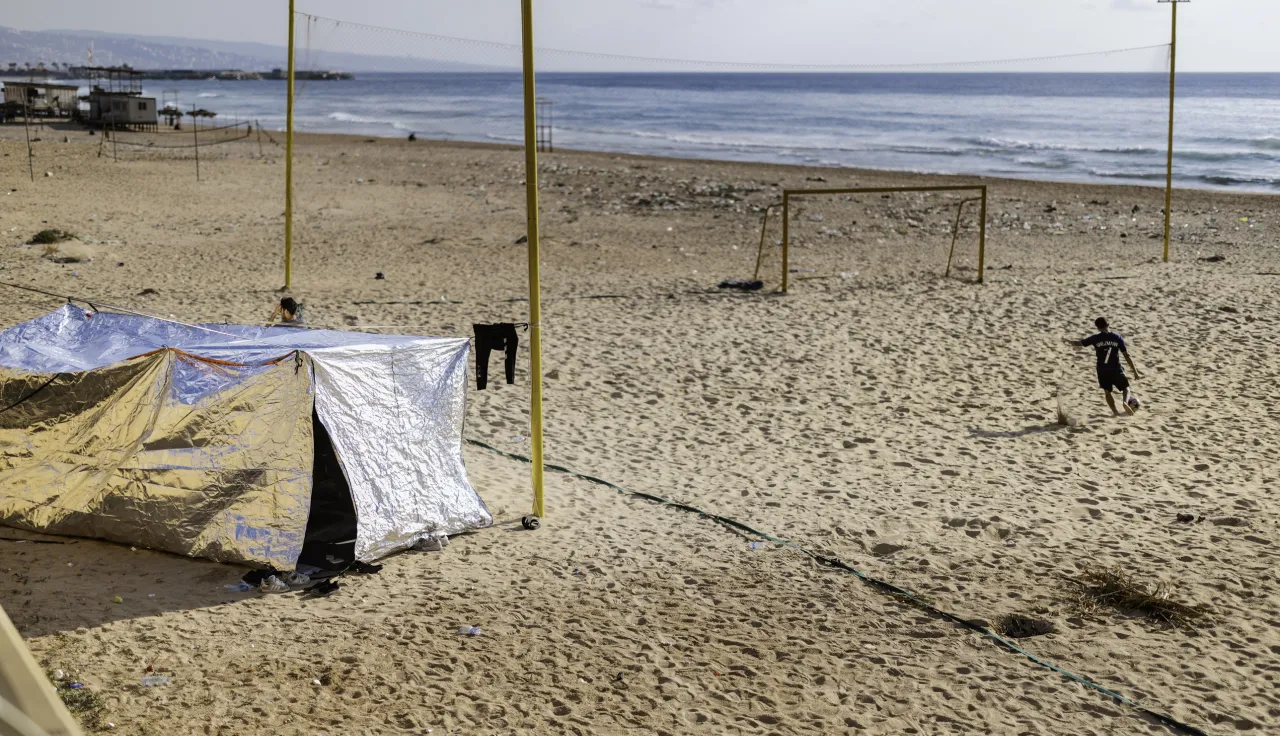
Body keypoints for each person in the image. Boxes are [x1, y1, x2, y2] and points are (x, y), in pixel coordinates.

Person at [1063, 317, 1140, 416]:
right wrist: (1135, 371)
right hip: (1116, 368)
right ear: (1108, 324)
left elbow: (1079, 343)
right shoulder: (1117, 337)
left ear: (1098, 328)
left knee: (1107, 392)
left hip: (1102, 370)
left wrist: (1067, 341)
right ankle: (1125, 402)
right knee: (1126, 388)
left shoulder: (1095, 338)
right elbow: (1126, 355)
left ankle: (1115, 412)